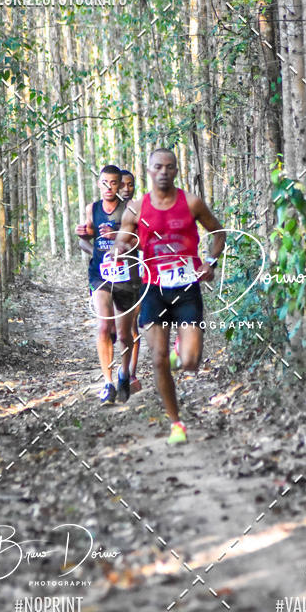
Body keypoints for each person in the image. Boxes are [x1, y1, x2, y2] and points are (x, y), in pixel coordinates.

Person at [113, 149, 225, 444]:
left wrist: (210, 263)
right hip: (153, 290)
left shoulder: (191, 203)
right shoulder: (136, 209)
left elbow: (218, 232)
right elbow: (123, 241)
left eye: (169, 167)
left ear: (176, 170)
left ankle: (181, 352)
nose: (163, 171)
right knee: (158, 360)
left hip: (187, 289)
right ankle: (176, 424)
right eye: (158, 167)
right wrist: (120, 251)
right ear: (148, 171)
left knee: (190, 362)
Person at [75, 165, 142, 404]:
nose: (108, 187)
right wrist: (86, 240)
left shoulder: (131, 209)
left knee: (125, 334)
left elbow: (144, 242)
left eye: (114, 183)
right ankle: (108, 383)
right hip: (100, 275)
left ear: (120, 185)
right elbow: (85, 240)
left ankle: (125, 373)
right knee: (104, 327)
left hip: (127, 277)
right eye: (104, 183)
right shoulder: (92, 209)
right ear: (98, 183)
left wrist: (119, 240)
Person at [119, 170, 142, 394]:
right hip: (108, 279)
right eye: (122, 185)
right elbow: (88, 242)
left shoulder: (138, 209)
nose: (127, 188)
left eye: (131, 184)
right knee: (112, 330)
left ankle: (130, 374)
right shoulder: (101, 210)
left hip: (134, 275)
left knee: (133, 330)